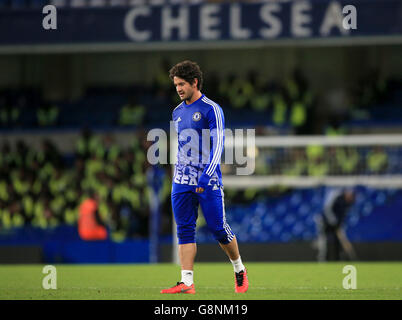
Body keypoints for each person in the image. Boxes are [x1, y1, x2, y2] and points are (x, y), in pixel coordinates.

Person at [160, 60, 248, 295]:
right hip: (181, 181)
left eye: (182, 84)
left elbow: (219, 145)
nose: (178, 89)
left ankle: (239, 269)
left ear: (194, 82)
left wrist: (207, 175)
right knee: (185, 229)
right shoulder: (176, 112)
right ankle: (187, 282)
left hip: (207, 181)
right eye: (176, 84)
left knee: (218, 228)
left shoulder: (211, 109)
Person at [315, 188, 357, 262]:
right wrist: (333, 221)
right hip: (325, 223)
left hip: (337, 224)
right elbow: (327, 209)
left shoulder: (349, 203)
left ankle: (337, 259)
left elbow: (343, 215)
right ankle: (323, 259)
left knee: (338, 241)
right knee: (324, 241)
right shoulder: (337, 197)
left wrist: (339, 224)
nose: (350, 197)